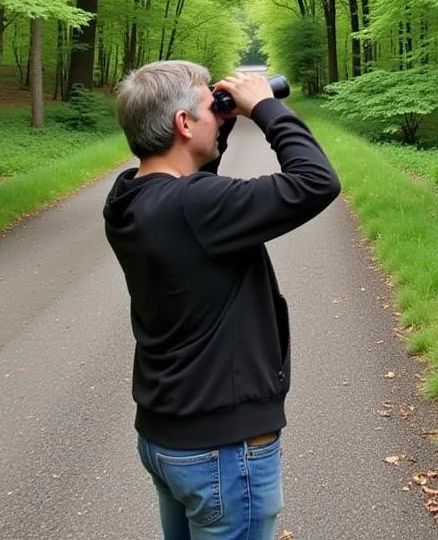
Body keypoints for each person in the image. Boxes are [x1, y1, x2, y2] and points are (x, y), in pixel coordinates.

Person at [104, 61, 340, 540]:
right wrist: (268, 109)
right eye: (209, 106)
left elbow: (191, 180)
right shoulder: (196, 206)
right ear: (183, 123)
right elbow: (317, 182)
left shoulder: (126, 199)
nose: (219, 112)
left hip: (165, 438)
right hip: (223, 450)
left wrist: (220, 124)